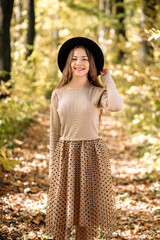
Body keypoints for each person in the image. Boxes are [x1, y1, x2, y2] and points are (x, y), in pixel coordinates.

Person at [45, 37, 123, 240]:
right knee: (62, 211)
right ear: (68, 63)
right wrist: (52, 164)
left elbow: (115, 105)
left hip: (91, 154)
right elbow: (54, 132)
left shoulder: (97, 92)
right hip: (65, 154)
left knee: (86, 213)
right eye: (75, 59)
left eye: (85, 59)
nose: (79, 63)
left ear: (92, 64)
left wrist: (108, 80)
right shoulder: (58, 93)